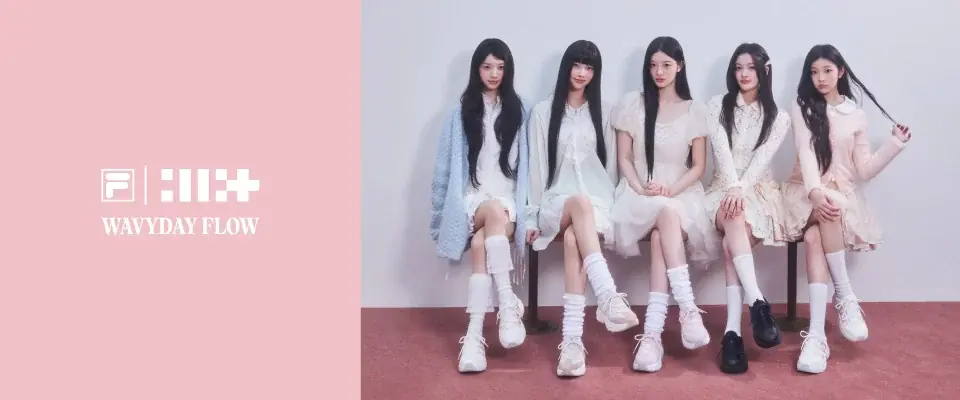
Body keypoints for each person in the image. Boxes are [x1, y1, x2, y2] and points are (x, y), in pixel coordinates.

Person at [782, 44, 912, 374]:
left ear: (840, 71)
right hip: (804, 193)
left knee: (814, 238)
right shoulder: (801, 106)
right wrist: (815, 192)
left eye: (827, 71)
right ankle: (844, 295)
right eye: (814, 72)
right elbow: (805, 152)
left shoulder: (856, 114)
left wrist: (894, 144)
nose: (820, 78)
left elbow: (863, 170)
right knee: (829, 206)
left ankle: (816, 337)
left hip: (836, 196)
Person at [526, 39, 638, 377]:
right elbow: (537, 169)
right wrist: (530, 216)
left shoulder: (603, 111)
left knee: (577, 235)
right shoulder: (543, 112)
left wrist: (618, 206)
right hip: (556, 203)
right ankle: (608, 294)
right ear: (567, 67)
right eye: (577, 65)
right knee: (578, 203)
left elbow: (613, 169)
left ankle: (572, 344)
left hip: (597, 203)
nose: (582, 73)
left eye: (589, 67)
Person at [607, 36, 720, 372]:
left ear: (679, 66)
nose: (659, 71)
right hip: (638, 191)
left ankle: (652, 335)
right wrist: (643, 188)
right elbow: (624, 158)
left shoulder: (694, 110)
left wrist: (669, 190)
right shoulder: (633, 105)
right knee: (663, 214)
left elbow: (698, 166)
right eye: (653, 65)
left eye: (666, 65)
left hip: (680, 191)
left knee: (662, 229)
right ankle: (687, 308)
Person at [428, 38, 530, 373]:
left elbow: (533, 169)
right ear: (476, 69)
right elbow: (444, 169)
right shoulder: (460, 113)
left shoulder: (521, 111)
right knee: (491, 212)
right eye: (487, 67)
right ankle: (507, 302)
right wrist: (439, 217)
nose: (494, 73)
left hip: (510, 200)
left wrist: (533, 214)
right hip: (474, 200)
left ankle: (473, 336)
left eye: (500, 67)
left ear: (508, 70)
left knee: (479, 244)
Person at [703, 43, 791, 374]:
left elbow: (761, 160)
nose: (743, 74)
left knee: (731, 244)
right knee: (732, 213)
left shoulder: (779, 118)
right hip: (720, 191)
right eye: (738, 67)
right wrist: (733, 188)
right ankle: (756, 302)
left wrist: (741, 189)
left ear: (764, 71)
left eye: (750, 68)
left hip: (758, 193)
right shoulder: (717, 105)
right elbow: (722, 152)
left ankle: (733, 334)